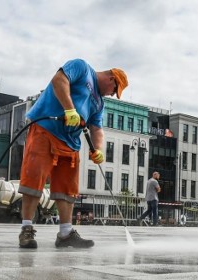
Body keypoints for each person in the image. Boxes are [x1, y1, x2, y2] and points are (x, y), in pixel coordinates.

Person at [17, 59, 128, 249]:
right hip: (46, 130)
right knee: (34, 180)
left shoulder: (99, 104)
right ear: (111, 79)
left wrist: (98, 149)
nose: (111, 95)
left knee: (67, 189)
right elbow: (59, 80)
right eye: (114, 90)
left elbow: (97, 129)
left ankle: (66, 234)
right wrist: (69, 108)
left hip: (71, 142)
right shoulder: (82, 68)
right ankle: (26, 230)